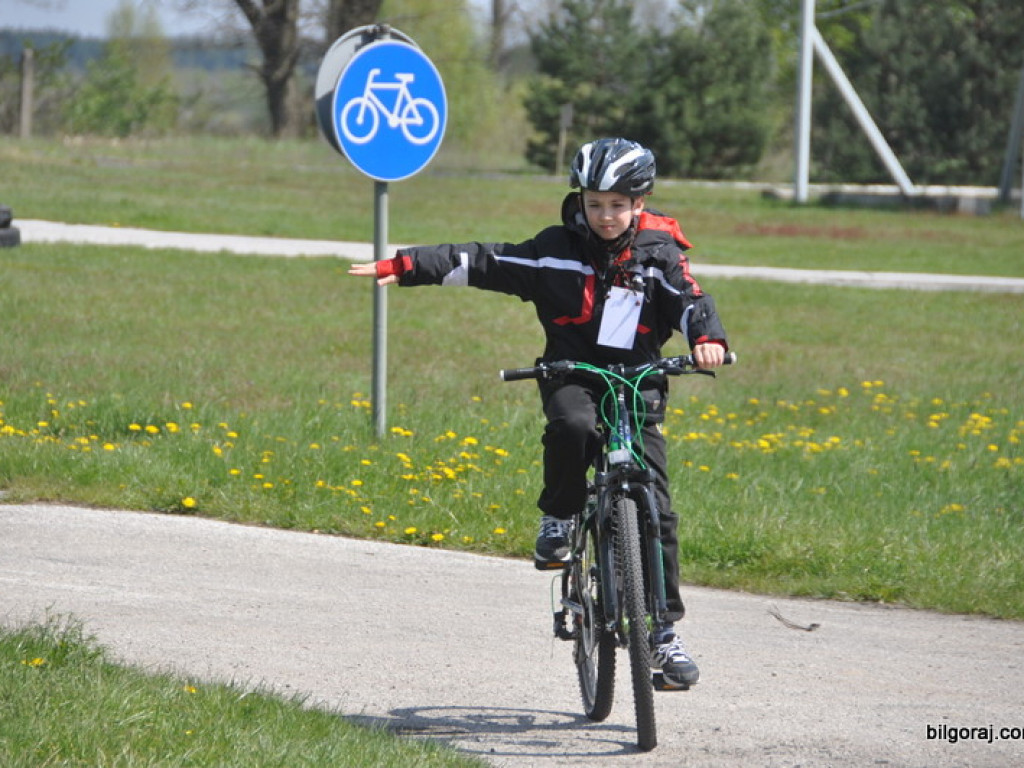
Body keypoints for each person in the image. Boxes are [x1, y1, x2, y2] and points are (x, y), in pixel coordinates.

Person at [349, 137, 728, 687]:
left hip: (637, 382)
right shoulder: (554, 249)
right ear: (581, 198)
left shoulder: (659, 254)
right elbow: (482, 261)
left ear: (639, 204)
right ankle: (561, 516)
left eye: (618, 205)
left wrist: (707, 337)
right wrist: (407, 264)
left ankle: (663, 636)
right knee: (572, 426)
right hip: (570, 373)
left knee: (657, 512)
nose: (605, 216)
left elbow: (690, 299)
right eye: (595, 202)